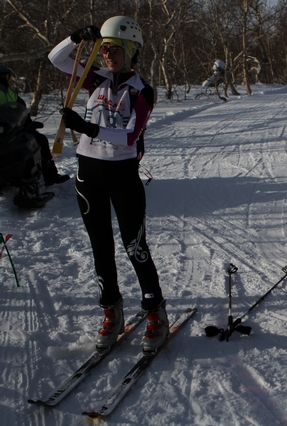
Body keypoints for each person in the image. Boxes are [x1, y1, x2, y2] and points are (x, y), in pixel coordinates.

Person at [48, 16, 169, 353]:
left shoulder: (142, 91)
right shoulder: (93, 78)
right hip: (89, 174)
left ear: (132, 51)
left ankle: (155, 311)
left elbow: (130, 135)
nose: (108, 54)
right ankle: (110, 310)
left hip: (122, 176)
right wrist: (75, 37)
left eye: (115, 48)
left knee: (136, 247)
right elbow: (56, 59)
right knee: (100, 247)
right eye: (104, 48)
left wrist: (87, 129)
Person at [0, 64, 70, 186]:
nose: (2, 80)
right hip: (3, 128)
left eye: (4, 77)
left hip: (13, 126)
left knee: (39, 139)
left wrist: (26, 121)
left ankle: (50, 175)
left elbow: (20, 106)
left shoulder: (9, 92)